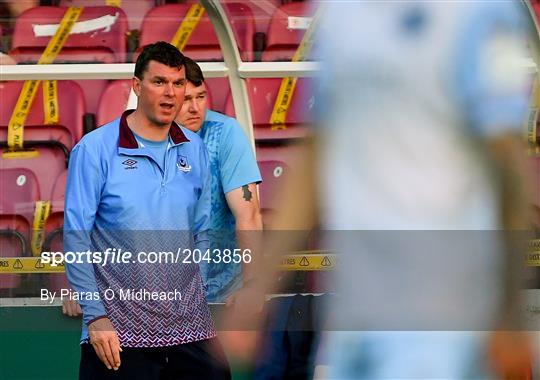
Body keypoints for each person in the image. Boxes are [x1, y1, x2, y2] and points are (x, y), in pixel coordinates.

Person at [252, 2, 534, 379]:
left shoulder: (483, 12)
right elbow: (318, 154)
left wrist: (509, 310)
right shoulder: (339, 14)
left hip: (447, 308)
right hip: (353, 309)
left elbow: (509, 165)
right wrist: (259, 288)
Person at [63, 41, 230, 379]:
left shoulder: (194, 149)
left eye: (178, 83)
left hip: (189, 328)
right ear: (137, 86)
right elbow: (76, 236)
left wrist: (193, 288)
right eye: (159, 82)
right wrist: (95, 315)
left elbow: (202, 231)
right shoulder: (94, 150)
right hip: (117, 335)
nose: (171, 93)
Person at [174, 56, 263, 306]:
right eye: (186, 100)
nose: (195, 108)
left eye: (200, 97)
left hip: (223, 297)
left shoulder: (225, 133)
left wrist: (253, 286)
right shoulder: (139, 140)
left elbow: (250, 214)